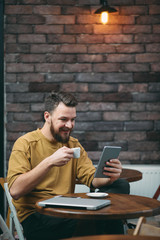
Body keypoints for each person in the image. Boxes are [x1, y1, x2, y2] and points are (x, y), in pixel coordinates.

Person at [7, 91, 130, 240]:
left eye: (73, 120)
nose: (69, 125)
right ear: (47, 117)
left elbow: (91, 178)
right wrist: (50, 162)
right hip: (37, 216)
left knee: (121, 185)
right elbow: (15, 190)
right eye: (64, 119)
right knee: (94, 219)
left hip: (66, 209)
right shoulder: (26, 143)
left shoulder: (73, 144)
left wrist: (109, 176)